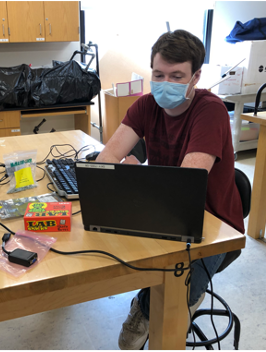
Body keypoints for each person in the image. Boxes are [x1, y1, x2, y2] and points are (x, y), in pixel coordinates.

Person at [95, 29, 245, 351]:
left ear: (195, 77)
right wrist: (118, 171)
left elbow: (185, 187)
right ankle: (147, 299)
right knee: (111, 254)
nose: (165, 83)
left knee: (172, 303)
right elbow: (104, 160)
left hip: (212, 226)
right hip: (161, 212)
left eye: (177, 76)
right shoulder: (146, 106)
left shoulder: (210, 111)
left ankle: (150, 307)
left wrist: (129, 178)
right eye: (159, 74)